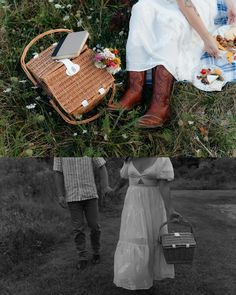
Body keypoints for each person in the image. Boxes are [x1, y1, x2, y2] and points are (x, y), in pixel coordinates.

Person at [108, 0, 236, 128]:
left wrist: (207, 36)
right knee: (141, 8)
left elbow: (185, 4)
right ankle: (135, 88)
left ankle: (161, 102)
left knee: (170, 23)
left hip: (196, 7)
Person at [113, 157, 180, 290]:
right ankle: (133, 276)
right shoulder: (129, 158)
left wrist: (170, 209)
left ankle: (148, 275)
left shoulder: (162, 159)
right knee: (133, 238)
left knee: (151, 237)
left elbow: (164, 185)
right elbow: (124, 178)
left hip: (152, 204)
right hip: (133, 205)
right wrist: (113, 190)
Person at [53, 157, 112, 270]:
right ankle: (82, 257)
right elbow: (58, 172)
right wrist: (60, 195)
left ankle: (96, 252)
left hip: (90, 194)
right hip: (72, 196)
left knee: (94, 226)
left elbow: (101, 165)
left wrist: (105, 186)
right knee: (78, 229)